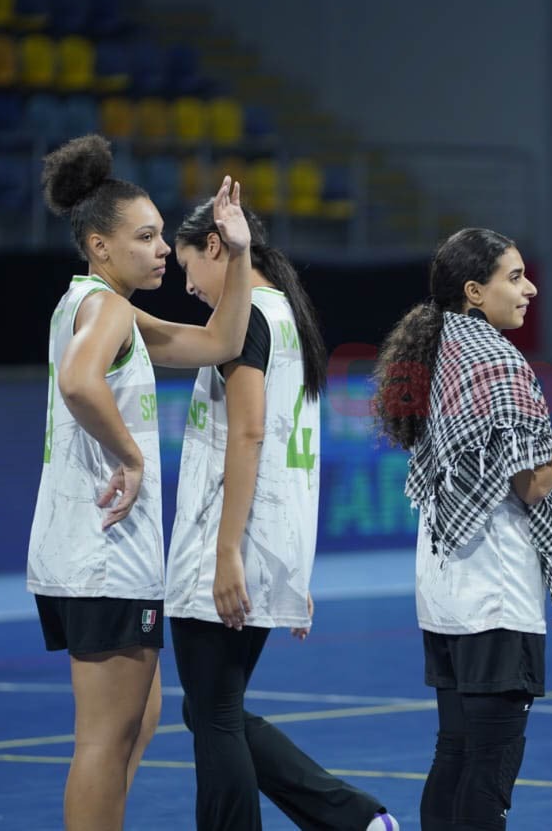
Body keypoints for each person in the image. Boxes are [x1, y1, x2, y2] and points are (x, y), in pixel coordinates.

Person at [148, 201, 399, 831]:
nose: (189, 287)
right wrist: (284, 562)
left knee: (214, 715)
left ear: (214, 247)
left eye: (188, 268)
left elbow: (250, 433)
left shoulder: (248, 319)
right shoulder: (289, 316)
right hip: (269, 539)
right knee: (214, 709)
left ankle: (353, 818)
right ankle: (356, 820)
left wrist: (227, 551)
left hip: (229, 539)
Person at [27, 134, 253, 831]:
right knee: (105, 738)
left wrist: (240, 253)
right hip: (104, 554)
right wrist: (130, 456)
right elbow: (78, 382)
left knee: (139, 719)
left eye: (161, 236)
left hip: (85, 551)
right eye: (146, 237)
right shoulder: (107, 308)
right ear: (100, 245)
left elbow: (219, 342)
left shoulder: (96, 303)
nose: (161, 249)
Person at [371, 228, 552, 831]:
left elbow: (498, 462)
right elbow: (532, 483)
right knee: (488, 772)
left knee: (454, 752)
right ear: (473, 291)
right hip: (493, 588)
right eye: (514, 278)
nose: (530, 288)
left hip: (445, 585)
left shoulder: (441, 347)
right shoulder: (497, 360)